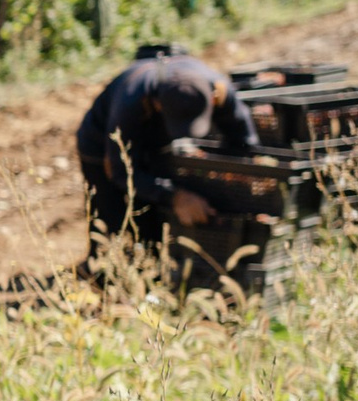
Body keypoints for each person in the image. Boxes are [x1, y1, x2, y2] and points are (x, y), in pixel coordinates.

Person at [75, 48, 259, 253]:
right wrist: (176, 197)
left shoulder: (218, 87)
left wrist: (242, 176)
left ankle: (150, 254)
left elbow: (244, 139)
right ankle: (103, 263)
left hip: (154, 140)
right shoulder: (129, 103)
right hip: (101, 142)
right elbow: (119, 171)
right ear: (157, 104)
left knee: (152, 215)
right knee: (109, 213)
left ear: (211, 99)